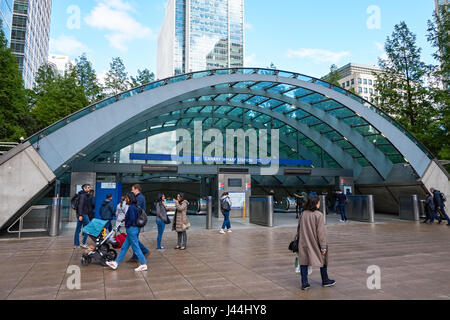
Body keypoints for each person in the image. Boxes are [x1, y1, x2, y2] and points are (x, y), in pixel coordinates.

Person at [297, 196, 336, 291]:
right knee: (323, 260)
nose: (319, 204)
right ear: (315, 204)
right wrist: (323, 246)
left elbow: (299, 228)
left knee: (303, 261)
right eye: (318, 202)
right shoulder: (319, 215)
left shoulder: (303, 214)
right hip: (315, 242)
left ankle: (304, 283)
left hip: (304, 242)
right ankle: (325, 280)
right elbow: (321, 232)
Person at [106, 192, 148, 272]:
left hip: (131, 229)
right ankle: (116, 263)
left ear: (129, 198)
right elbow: (133, 217)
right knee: (124, 247)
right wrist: (125, 219)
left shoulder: (131, 207)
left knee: (136, 247)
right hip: (132, 230)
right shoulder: (135, 206)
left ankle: (143, 264)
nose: (126, 199)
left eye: (127, 198)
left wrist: (126, 222)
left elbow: (132, 219)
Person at [128, 184, 150, 262]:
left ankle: (137, 255)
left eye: (132, 189)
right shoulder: (138, 197)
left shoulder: (139, 198)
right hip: (136, 221)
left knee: (134, 239)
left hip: (137, 221)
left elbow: (136, 210)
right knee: (134, 239)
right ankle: (143, 251)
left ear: (137, 189)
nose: (131, 191)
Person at [73, 184, 91, 249]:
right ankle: (83, 243)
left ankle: (76, 244)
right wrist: (80, 215)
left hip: (80, 214)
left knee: (78, 229)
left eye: (89, 187)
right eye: (88, 187)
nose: (89, 189)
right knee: (88, 228)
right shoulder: (83, 195)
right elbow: (80, 205)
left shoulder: (81, 194)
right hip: (83, 214)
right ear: (84, 188)